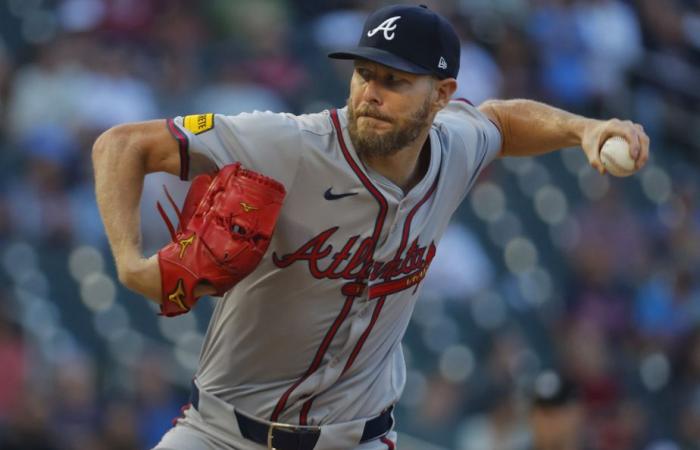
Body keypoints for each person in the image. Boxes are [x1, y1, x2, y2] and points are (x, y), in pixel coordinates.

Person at [92, 4, 649, 450]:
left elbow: (501, 121)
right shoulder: (284, 143)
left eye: (394, 80)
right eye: (364, 73)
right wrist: (128, 261)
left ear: (441, 96)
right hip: (221, 434)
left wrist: (585, 129)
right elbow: (122, 144)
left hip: (358, 437)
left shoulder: (455, 146)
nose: (370, 93)